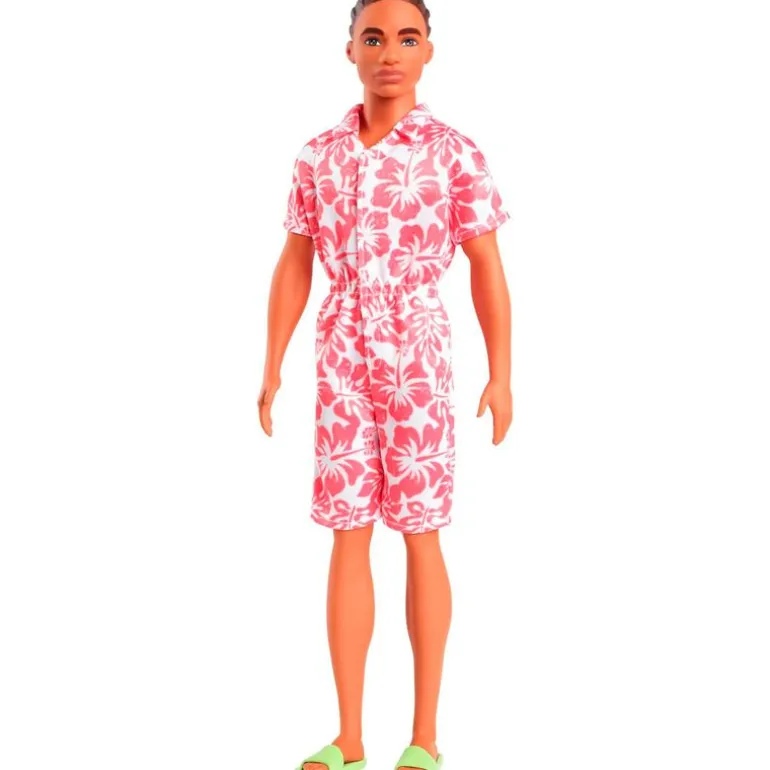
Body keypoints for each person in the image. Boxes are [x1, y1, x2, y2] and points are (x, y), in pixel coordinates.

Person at [258, 1, 514, 768]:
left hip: (418, 353)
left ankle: (425, 736)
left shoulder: (453, 153)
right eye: (373, 38)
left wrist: (502, 373)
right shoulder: (318, 156)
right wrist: (271, 362)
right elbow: (296, 261)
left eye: (407, 38)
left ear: (429, 50)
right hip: (341, 349)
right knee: (347, 532)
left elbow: (486, 266)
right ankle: (349, 736)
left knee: (420, 531)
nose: (390, 53)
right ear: (350, 51)